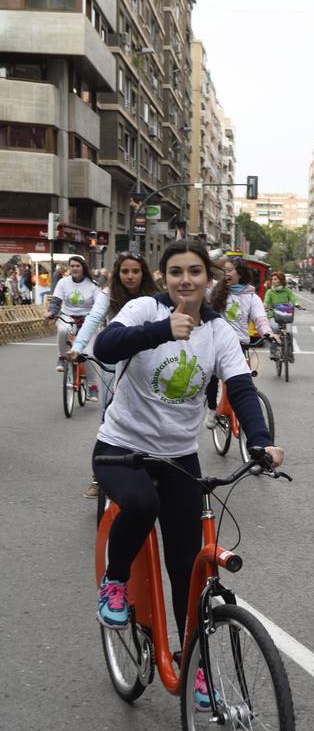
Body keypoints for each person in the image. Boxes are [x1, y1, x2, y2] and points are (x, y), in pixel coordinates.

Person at [92, 240, 284, 707]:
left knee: (188, 570)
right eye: (175, 271)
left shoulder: (218, 331)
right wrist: (160, 330)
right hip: (121, 449)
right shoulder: (142, 309)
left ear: (208, 278)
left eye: (194, 271)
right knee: (141, 504)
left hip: (179, 457)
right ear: (163, 277)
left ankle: (195, 667)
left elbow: (239, 387)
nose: (185, 280)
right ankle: (114, 582)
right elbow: (105, 345)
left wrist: (259, 441)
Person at [66, 251, 159, 498]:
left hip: (146, 363)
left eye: (135, 271)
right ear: (117, 273)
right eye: (125, 271)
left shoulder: (154, 296)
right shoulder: (108, 294)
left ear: (143, 273)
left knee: (149, 415)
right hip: (113, 363)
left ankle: (153, 467)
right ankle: (100, 476)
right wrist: (77, 348)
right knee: (110, 416)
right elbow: (93, 320)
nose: (130, 276)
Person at [203, 256, 274, 429]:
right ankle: (212, 409)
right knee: (212, 376)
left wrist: (268, 333)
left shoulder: (251, 297)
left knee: (242, 383)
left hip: (238, 345)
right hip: (215, 343)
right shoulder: (214, 290)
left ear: (240, 273)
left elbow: (260, 319)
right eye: (224, 270)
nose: (225, 274)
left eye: (229, 270)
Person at [45, 256, 101, 400]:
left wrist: (97, 318)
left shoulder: (92, 285)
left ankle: (93, 387)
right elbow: (56, 301)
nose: (74, 268)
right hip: (68, 316)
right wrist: (51, 312)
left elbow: (100, 305)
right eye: (72, 266)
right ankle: (62, 357)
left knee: (88, 355)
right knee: (63, 330)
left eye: (77, 266)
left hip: (88, 319)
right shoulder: (63, 283)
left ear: (83, 267)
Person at [264, 270, 305, 360]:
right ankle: (273, 352)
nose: (273, 281)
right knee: (274, 329)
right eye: (272, 279)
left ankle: (290, 353)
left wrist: (298, 305)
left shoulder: (287, 291)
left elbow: (294, 300)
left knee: (289, 332)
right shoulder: (269, 292)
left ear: (281, 280)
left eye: (275, 279)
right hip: (273, 315)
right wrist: (266, 305)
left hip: (286, 315)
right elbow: (266, 301)